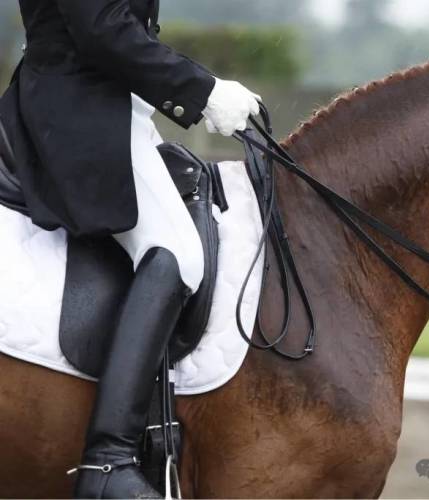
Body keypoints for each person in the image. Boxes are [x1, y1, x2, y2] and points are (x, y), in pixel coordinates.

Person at [2, 1, 261, 497]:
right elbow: (102, 28)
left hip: (110, 101)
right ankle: (108, 462)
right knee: (176, 253)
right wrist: (203, 91)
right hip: (80, 107)